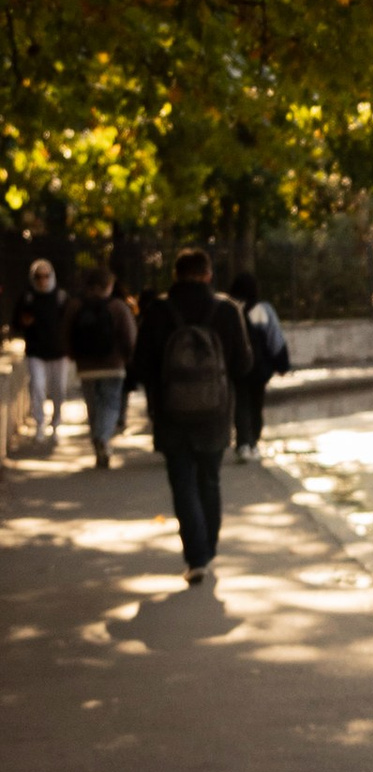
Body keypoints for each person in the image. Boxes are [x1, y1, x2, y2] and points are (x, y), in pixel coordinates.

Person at [129, 250, 252, 584]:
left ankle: (196, 557)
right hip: (215, 413)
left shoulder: (157, 311)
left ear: (175, 274)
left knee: (182, 482)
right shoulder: (227, 310)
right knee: (209, 480)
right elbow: (243, 364)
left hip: (171, 412)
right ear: (208, 274)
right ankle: (208, 550)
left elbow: (140, 365)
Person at [67, 267, 137, 470]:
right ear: (109, 286)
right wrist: (128, 358)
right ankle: (103, 437)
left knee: (93, 406)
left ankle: (97, 440)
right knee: (111, 403)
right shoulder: (117, 306)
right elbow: (130, 337)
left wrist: (73, 355)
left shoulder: (75, 306)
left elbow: (65, 332)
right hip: (113, 365)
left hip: (85, 366)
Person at [11, 257, 75, 455]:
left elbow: (71, 323)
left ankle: (55, 424)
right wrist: (24, 323)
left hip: (59, 352)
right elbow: (15, 323)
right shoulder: (27, 298)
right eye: (38, 277)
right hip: (36, 352)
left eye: (46, 276)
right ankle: (40, 423)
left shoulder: (61, 297)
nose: (42, 280)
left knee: (59, 390)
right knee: (37, 387)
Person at [230, 271, 289, 455]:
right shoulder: (263, 309)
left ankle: (243, 443)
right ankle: (254, 441)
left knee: (241, 402)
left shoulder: (230, 309)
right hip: (259, 367)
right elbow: (275, 339)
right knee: (256, 403)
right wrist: (282, 365)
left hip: (237, 366)